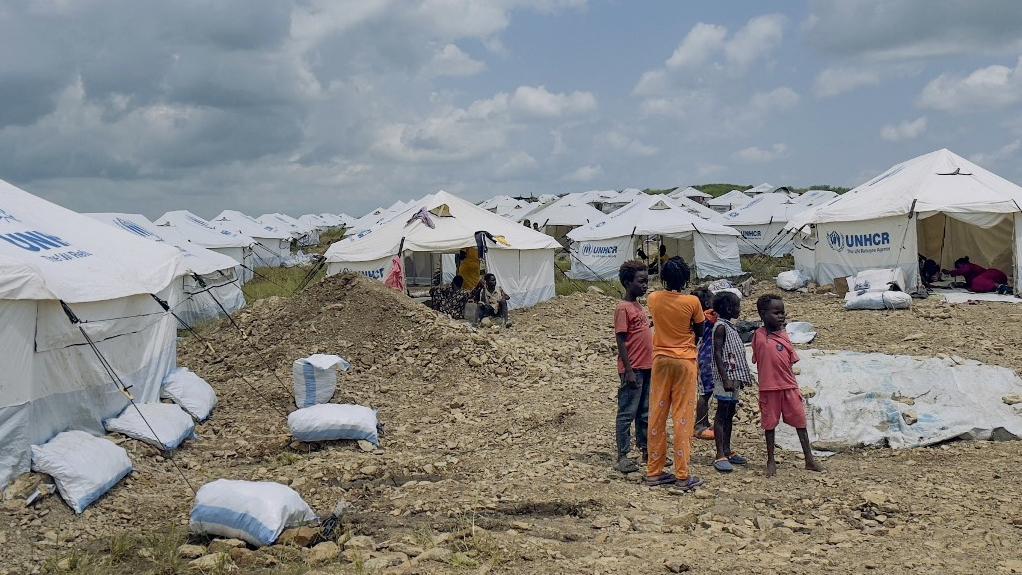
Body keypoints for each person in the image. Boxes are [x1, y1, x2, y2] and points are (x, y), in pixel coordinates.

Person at [645, 257, 705, 490]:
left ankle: (654, 471)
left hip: (660, 360)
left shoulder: (653, 298)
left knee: (657, 414)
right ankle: (682, 474)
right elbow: (699, 329)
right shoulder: (692, 302)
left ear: (663, 278)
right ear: (686, 279)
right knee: (682, 417)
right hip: (685, 360)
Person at [753, 294, 823, 477]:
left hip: (789, 386)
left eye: (782, 313)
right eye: (776, 313)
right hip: (768, 388)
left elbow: (790, 360)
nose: (781, 316)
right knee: (769, 424)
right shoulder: (758, 336)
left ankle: (809, 458)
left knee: (800, 421)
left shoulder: (784, 336)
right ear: (762, 314)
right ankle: (770, 460)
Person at [613, 261, 653, 473]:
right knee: (627, 412)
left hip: (647, 366)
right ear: (628, 282)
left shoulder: (638, 306)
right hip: (634, 369)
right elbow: (621, 339)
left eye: (646, 281)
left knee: (645, 412)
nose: (645, 285)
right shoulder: (623, 308)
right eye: (641, 281)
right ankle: (623, 455)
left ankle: (646, 451)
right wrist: (628, 370)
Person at [710, 292, 753, 473]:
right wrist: (726, 378)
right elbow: (718, 354)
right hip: (725, 378)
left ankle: (727, 450)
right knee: (721, 415)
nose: (739, 310)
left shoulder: (730, 327)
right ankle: (720, 453)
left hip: (733, 378)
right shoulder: (721, 327)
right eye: (737, 306)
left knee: (729, 414)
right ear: (728, 308)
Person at [692, 287, 716, 441]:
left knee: (705, 392)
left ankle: (703, 422)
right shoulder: (710, 316)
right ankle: (700, 425)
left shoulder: (695, 317)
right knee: (705, 393)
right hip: (706, 359)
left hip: (703, 357)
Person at [944, 256, 1011, 294]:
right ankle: (1000, 286)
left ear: (963, 264)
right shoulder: (969, 272)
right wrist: (961, 284)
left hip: (994, 274)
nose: (957, 269)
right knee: (975, 283)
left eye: (958, 267)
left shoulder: (969, 266)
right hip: (997, 278)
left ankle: (1001, 287)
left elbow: (963, 270)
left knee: (976, 282)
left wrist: (950, 272)